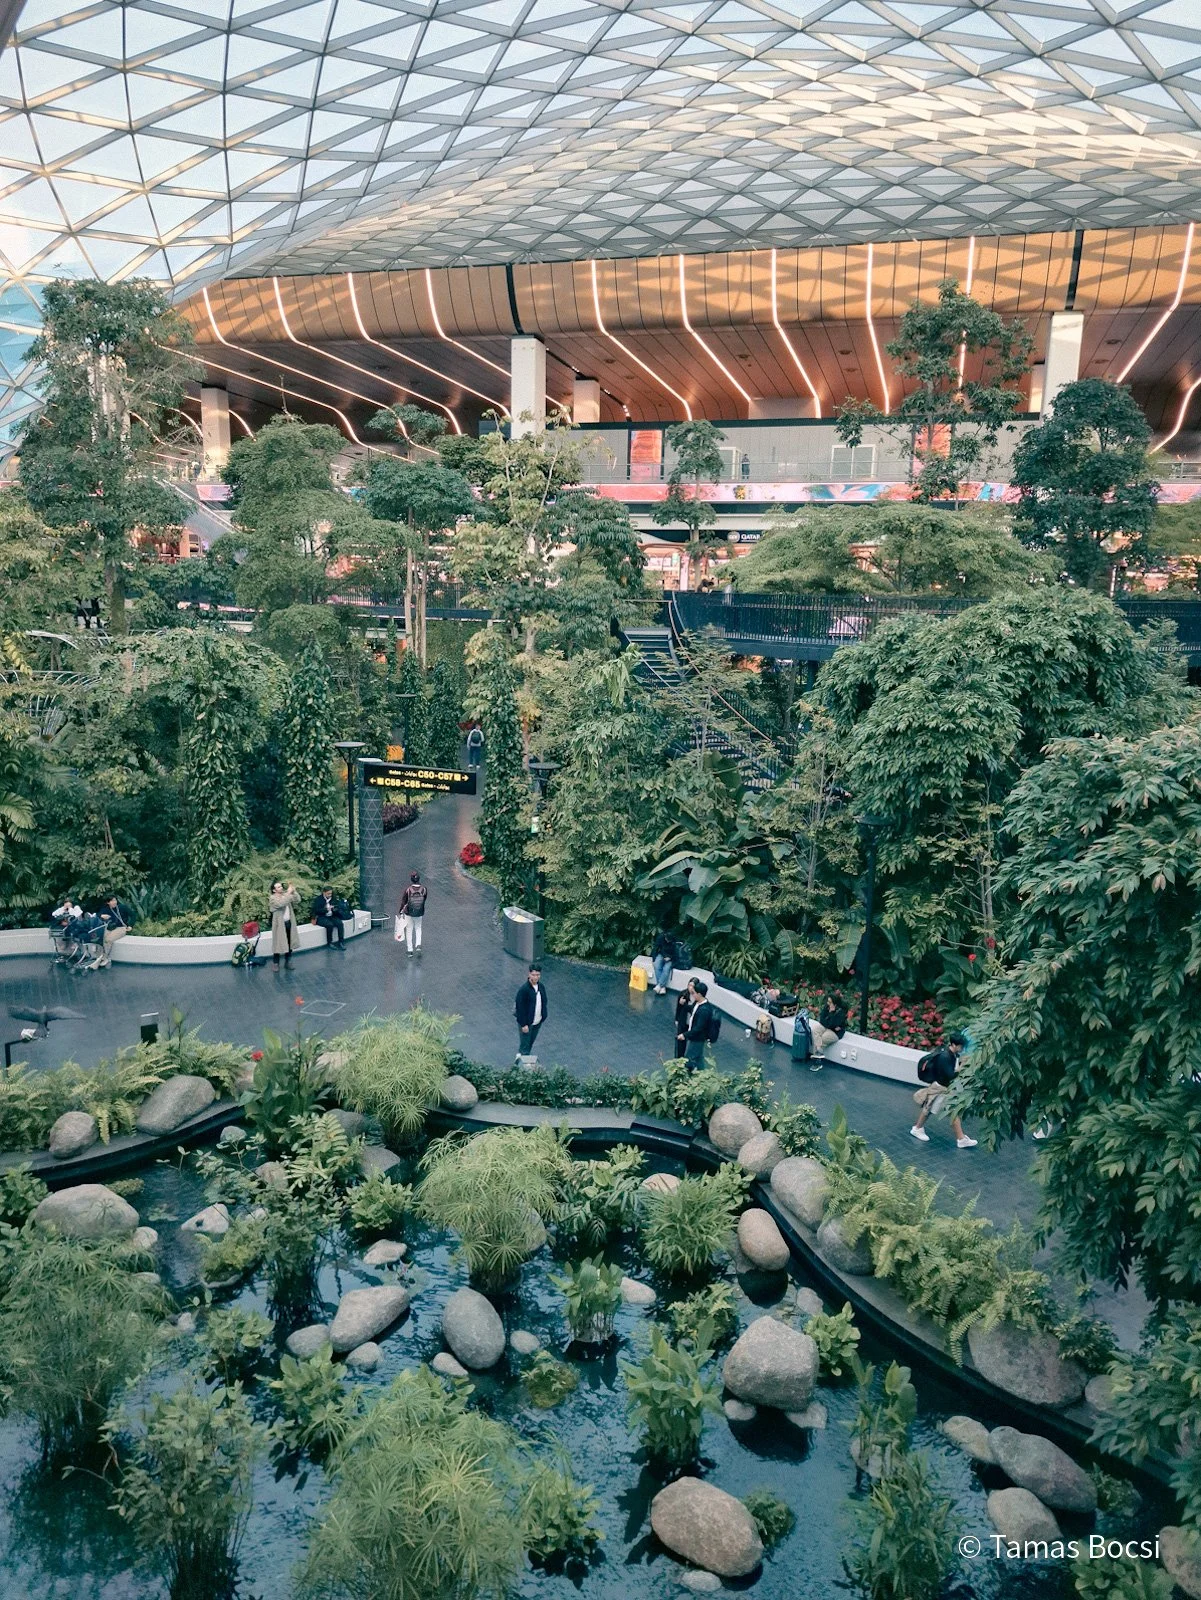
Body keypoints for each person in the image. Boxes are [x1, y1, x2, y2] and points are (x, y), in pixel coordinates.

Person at [910, 1030, 977, 1149]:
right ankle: (960, 1139)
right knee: (950, 1112)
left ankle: (918, 1128)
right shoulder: (945, 1057)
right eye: (961, 1046)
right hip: (941, 1088)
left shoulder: (948, 1054)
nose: (962, 1049)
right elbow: (950, 1075)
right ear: (954, 1045)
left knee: (929, 1108)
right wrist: (962, 1067)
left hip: (941, 1087)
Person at [515, 964, 548, 1062]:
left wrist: (543, 1015)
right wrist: (523, 1024)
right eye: (534, 975)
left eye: (538, 975)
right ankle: (523, 1064)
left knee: (529, 1043)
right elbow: (520, 1008)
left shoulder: (541, 987)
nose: (536, 977)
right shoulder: (524, 990)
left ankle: (520, 1057)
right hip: (527, 1024)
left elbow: (544, 1001)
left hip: (537, 1021)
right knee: (525, 1045)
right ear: (529, 974)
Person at [94, 893, 134, 968]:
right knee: (100, 938)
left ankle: (105, 958)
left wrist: (130, 925)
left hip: (121, 928)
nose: (114, 902)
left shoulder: (122, 907)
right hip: (110, 927)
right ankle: (99, 956)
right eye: (111, 901)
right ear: (108, 902)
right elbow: (97, 914)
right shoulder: (106, 909)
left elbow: (133, 915)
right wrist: (101, 916)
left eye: (115, 900)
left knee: (108, 940)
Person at [683, 978, 715, 1070]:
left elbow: (699, 1028)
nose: (692, 995)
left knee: (689, 1059)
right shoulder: (698, 1003)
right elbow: (692, 1011)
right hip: (695, 1037)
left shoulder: (704, 1010)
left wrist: (685, 1035)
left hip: (697, 1038)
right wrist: (684, 1006)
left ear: (699, 994)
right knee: (699, 1058)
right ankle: (703, 1073)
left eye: (694, 993)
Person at [809, 991, 848, 1067]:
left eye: (830, 1002)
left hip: (836, 1033)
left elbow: (832, 1023)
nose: (828, 1003)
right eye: (828, 1001)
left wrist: (831, 1013)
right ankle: (818, 1053)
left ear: (835, 1004)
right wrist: (829, 1024)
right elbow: (822, 1019)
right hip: (828, 1027)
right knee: (815, 1031)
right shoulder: (827, 1007)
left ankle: (817, 1061)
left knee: (822, 1038)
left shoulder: (840, 1012)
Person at [397, 870, 428, 957]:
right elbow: (424, 899)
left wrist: (400, 911)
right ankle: (418, 944)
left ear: (411, 879)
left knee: (409, 930)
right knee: (418, 928)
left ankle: (410, 951)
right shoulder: (424, 889)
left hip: (409, 913)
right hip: (419, 912)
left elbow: (403, 902)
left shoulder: (408, 890)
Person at [269, 881, 299, 968]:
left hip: (289, 923)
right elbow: (281, 903)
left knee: (289, 942)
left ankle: (288, 961)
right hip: (279, 925)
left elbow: (297, 900)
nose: (281, 888)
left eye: (281, 886)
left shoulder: (286, 895)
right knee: (277, 942)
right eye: (278, 887)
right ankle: (276, 963)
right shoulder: (272, 898)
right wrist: (288, 893)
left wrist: (293, 891)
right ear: (274, 890)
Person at [311, 885, 350, 949]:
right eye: (328, 893)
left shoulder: (333, 898)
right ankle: (330, 942)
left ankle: (341, 941)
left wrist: (334, 909)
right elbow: (316, 910)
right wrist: (326, 910)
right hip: (322, 917)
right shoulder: (319, 899)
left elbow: (337, 907)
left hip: (332, 915)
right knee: (329, 925)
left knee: (340, 923)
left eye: (331, 893)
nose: (330, 895)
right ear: (324, 893)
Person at [650, 924, 675, 995]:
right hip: (662, 954)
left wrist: (670, 958)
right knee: (657, 965)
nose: (667, 941)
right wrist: (653, 959)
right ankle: (662, 987)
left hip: (671, 957)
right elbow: (656, 948)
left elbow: (676, 953)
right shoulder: (660, 937)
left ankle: (659, 985)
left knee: (666, 969)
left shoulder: (674, 941)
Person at [673, 987, 691, 1060]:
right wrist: (677, 1019)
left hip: (691, 1023)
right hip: (683, 1021)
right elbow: (678, 1008)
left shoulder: (697, 999)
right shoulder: (684, 994)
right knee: (680, 1041)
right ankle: (679, 1057)